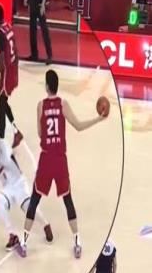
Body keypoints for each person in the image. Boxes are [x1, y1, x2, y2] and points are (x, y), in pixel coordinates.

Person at [17, 70, 107, 258]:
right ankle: (77, 242)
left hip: (46, 158)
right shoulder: (63, 104)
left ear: (47, 86)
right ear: (57, 86)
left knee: (34, 199)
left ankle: (24, 243)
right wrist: (99, 119)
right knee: (68, 200)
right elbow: (79, 126)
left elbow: (41, 134)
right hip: (60, 159)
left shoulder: (40, 105)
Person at [0, 123, 53, 250]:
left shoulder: (5, 148)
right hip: (8, 189)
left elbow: (5, 158)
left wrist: (1, 138)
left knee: (28, 208)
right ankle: (12, 235)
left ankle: (46, 225)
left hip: (19, 184)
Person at [0, 5, 23, 148]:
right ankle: (16, 132)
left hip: (7, 71)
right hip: (13, 68)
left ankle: (2, 142)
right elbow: (15, 49)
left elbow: (1, 61)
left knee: (1, 106)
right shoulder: (8, 27)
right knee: (3, 102)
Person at [24, 0, 59, 64]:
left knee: (44, 30)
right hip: (33, 3)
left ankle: (49, 55)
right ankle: (34, 55)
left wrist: (43, 4)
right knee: (32, 30)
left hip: (40, 4)